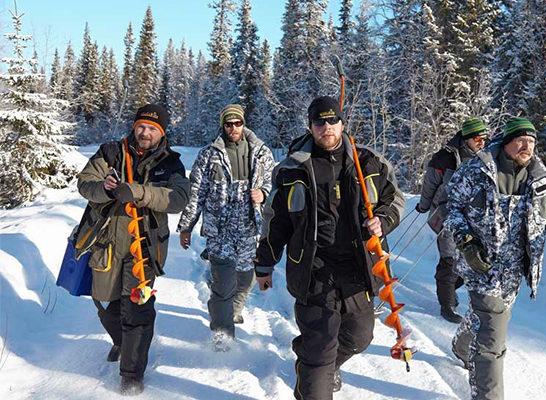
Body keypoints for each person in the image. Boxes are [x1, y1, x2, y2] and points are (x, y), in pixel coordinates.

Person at [253, 96, 405, 399]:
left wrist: (383, 221)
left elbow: (395, 201)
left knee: (360, 336)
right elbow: (277, 221)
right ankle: (314, 371)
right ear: (310, 126)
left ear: (342, 122)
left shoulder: (368, 162)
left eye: (332, 120)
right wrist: (264, 263)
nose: (327, 127)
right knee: (320, 349)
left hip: (359, 269)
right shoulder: (292, 169)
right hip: (314, 270)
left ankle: (318, 366)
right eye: (319, 122)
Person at [445, 117, 546, 400]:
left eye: (532, 142)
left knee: (488, 320)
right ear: (506, 142)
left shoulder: (540, 178)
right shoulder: (475, 171)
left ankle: (462, 346)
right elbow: (452, 209)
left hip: (514, 270)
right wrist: (466, 242)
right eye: (521, 141)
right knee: (491, 337)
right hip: (481, 265)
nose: (527, 146)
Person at [77, 104, 191, 395]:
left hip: (146, 248)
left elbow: (178, 198)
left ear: (161, 132)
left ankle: (131, 375)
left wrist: (139, 192)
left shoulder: (170, 162)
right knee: (105, 304)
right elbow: (84, 183)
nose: (145, 132)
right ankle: (121, 340)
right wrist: (104, 187)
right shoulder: (111, 152)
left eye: (152, 129)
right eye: (142, 126)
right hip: (107, 244)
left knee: (137, 310)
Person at [177, 104, 275, 350]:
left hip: (249, 230)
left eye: (237, 123)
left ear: (244, 123)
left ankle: (234, 309)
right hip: (219, 231)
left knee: (244, 280)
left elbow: (274, 185)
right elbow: (196, 193)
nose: (233, 128)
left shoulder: (262, 152)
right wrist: (187, 226)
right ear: (223, 125)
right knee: (223, 286)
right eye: (229, 124)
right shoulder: (209, 154)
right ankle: (222, 336)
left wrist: (263, 193)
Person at [416, 117, 490, 323]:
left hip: (474, 218)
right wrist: (423, 206)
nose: (482, 142)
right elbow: (430, 184)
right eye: (477, 138)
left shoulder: (485, 158)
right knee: (449, 259)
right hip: (445, 213)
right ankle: (446, 305)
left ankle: (446, 288)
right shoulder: (445, 158)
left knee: (470, 260)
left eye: (484, 138)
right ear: (466, 138)